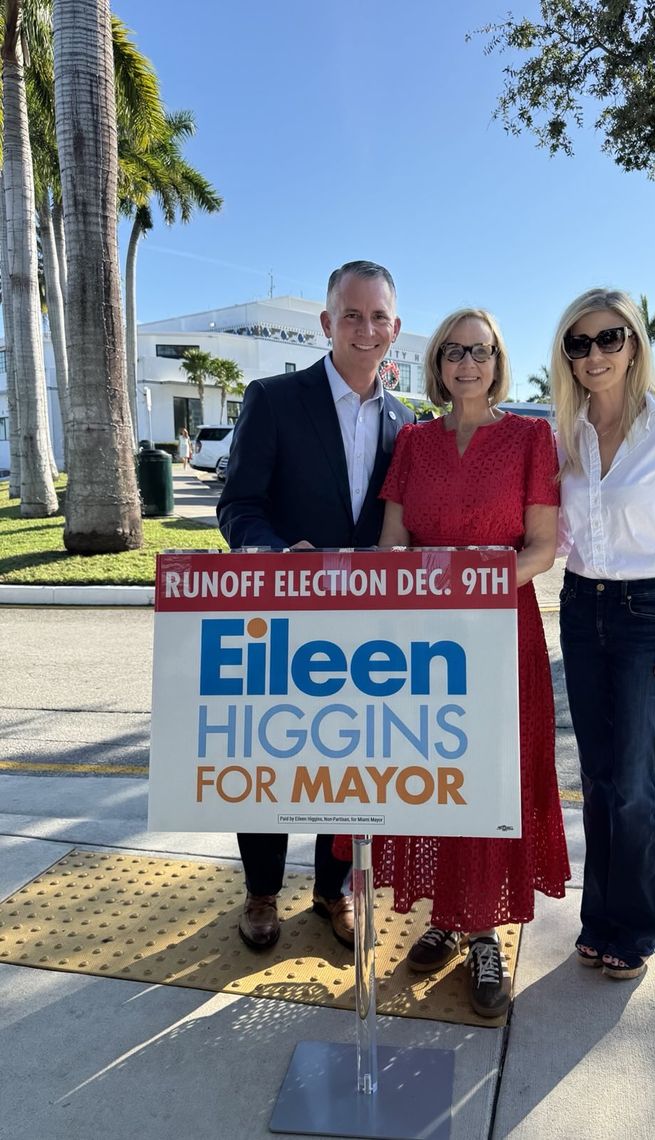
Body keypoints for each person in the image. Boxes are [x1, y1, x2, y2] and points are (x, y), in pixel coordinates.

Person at [358, 307, 570, 1018]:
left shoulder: (529, 437)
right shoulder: (414, 443)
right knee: (433, 776)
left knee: (488, 781)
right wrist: (419, 587)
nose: (465, 364)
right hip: (422, 641)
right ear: (438, 364)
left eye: (478, 351)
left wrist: (467, 583)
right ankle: (445, 918)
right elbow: (392, 541)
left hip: (499, 636)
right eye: (452, 352)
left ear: (496, 360)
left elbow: (540, 548)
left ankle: (484, 933)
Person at [217, 260, 415, 952]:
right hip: (283, 619)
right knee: (273, 757)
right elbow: (237, 506)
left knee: (350, 757)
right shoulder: (273, 399)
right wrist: (274, 555)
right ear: (328, 324)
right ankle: (262, 891)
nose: (366, 330)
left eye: (379, 316)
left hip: (367, 630)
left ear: (395, 327)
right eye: (352, 316)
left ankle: (332, 893)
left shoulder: (406, 422)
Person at [551, 288, 655, 980]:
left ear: (633, 344)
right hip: (579, 606)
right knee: (595, 779)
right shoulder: (564, 431)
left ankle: (637, 926)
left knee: (631, 780)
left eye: (608, 338)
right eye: (579, 343)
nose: (594, 354)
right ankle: (599, 919)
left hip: (648, 613)